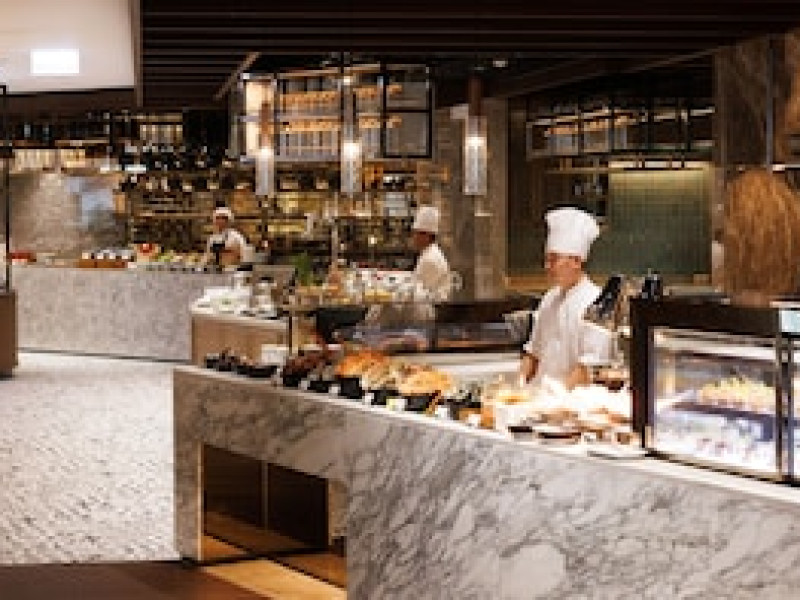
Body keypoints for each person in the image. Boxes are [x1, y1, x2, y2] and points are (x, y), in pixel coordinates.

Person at [520, 207, 611, 389]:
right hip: (539, 396)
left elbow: (586, 368)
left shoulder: (596, 303)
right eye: (547, 260)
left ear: (576, 261)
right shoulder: (549, 298)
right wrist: (518, 388)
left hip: (572, 399)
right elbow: (533, 354)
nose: (547, 266)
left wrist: (556, 397)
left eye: (554, 260)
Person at [411, 205, 452, 301]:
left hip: (431, 308)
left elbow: (421, 297)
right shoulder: (429, 252)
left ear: (426, 236)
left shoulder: (430, 260)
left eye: (416, 233)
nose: (413, 237)